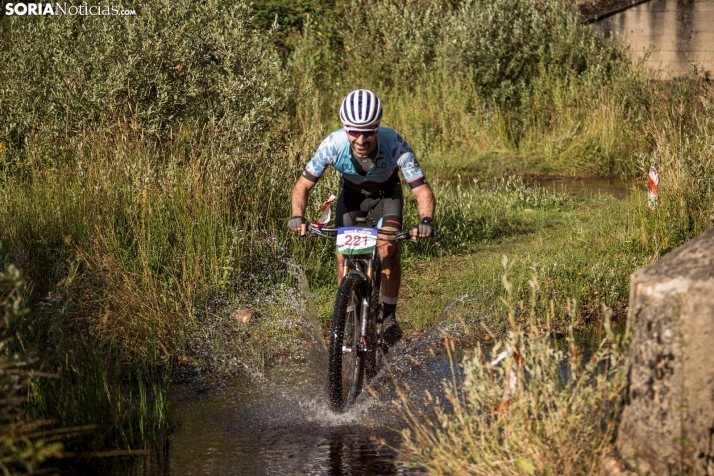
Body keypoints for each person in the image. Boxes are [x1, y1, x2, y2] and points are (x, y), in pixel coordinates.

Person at [288, 89, 435, 344]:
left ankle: (389, 316)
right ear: (345, 129)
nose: (361, 138)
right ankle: (347, 319)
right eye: (354, 131)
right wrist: (297, 216)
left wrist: (426, 221)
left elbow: (422, 190)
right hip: (352, 196)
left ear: (377, 128)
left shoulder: (395, 143)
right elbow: (302, 186)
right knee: (343, 255)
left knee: (388, 247)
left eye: (368, 131)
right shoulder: (332, 145)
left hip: (386, 195)